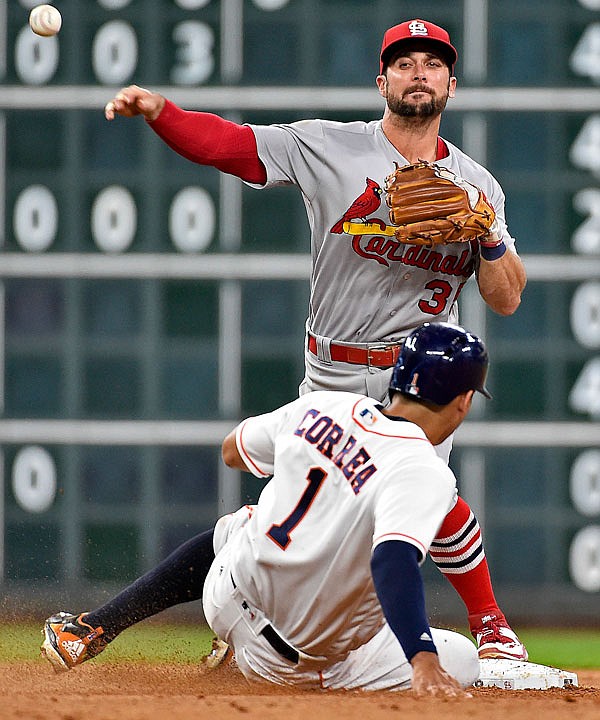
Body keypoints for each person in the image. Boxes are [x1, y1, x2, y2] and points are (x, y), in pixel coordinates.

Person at [102, 18, 528, 659]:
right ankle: (246, 619)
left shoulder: (479, 185)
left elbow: (507, 295)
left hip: (415, 381)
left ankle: (489, 625)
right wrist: (164, 111)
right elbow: (232, 147)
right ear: (381, 79)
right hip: (330, 376)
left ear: (451, 82)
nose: (419, 73)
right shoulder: (329, 147)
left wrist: (489, 232)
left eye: (432, 63)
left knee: (424, 500)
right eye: (405, 62)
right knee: (293, 523)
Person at [42, 322, 488, 695]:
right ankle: (246, 663)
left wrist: (317, 460)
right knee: (463, 660)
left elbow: (232, 451)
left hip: (225, 596)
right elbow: (392, 561)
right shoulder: (423, 470)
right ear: (464, 400)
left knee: (249, 522)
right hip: (289, 662)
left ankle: (94, 627)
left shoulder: (327, 404)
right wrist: (423, 660)